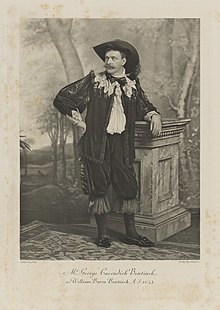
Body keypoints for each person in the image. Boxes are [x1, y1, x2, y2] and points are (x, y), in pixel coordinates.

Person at [53, 39, 162, 248]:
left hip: (122, 143)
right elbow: (63, 98)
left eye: (113, 58)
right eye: (106, 58)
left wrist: (154, 115)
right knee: (99, 186)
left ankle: (131, 233)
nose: (108, 61)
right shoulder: (94, 81)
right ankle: (102, 234)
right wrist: (77, 117)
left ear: (124, 60)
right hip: (97, 142)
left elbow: (144, 106)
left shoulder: (132, 85)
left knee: (128, 185)